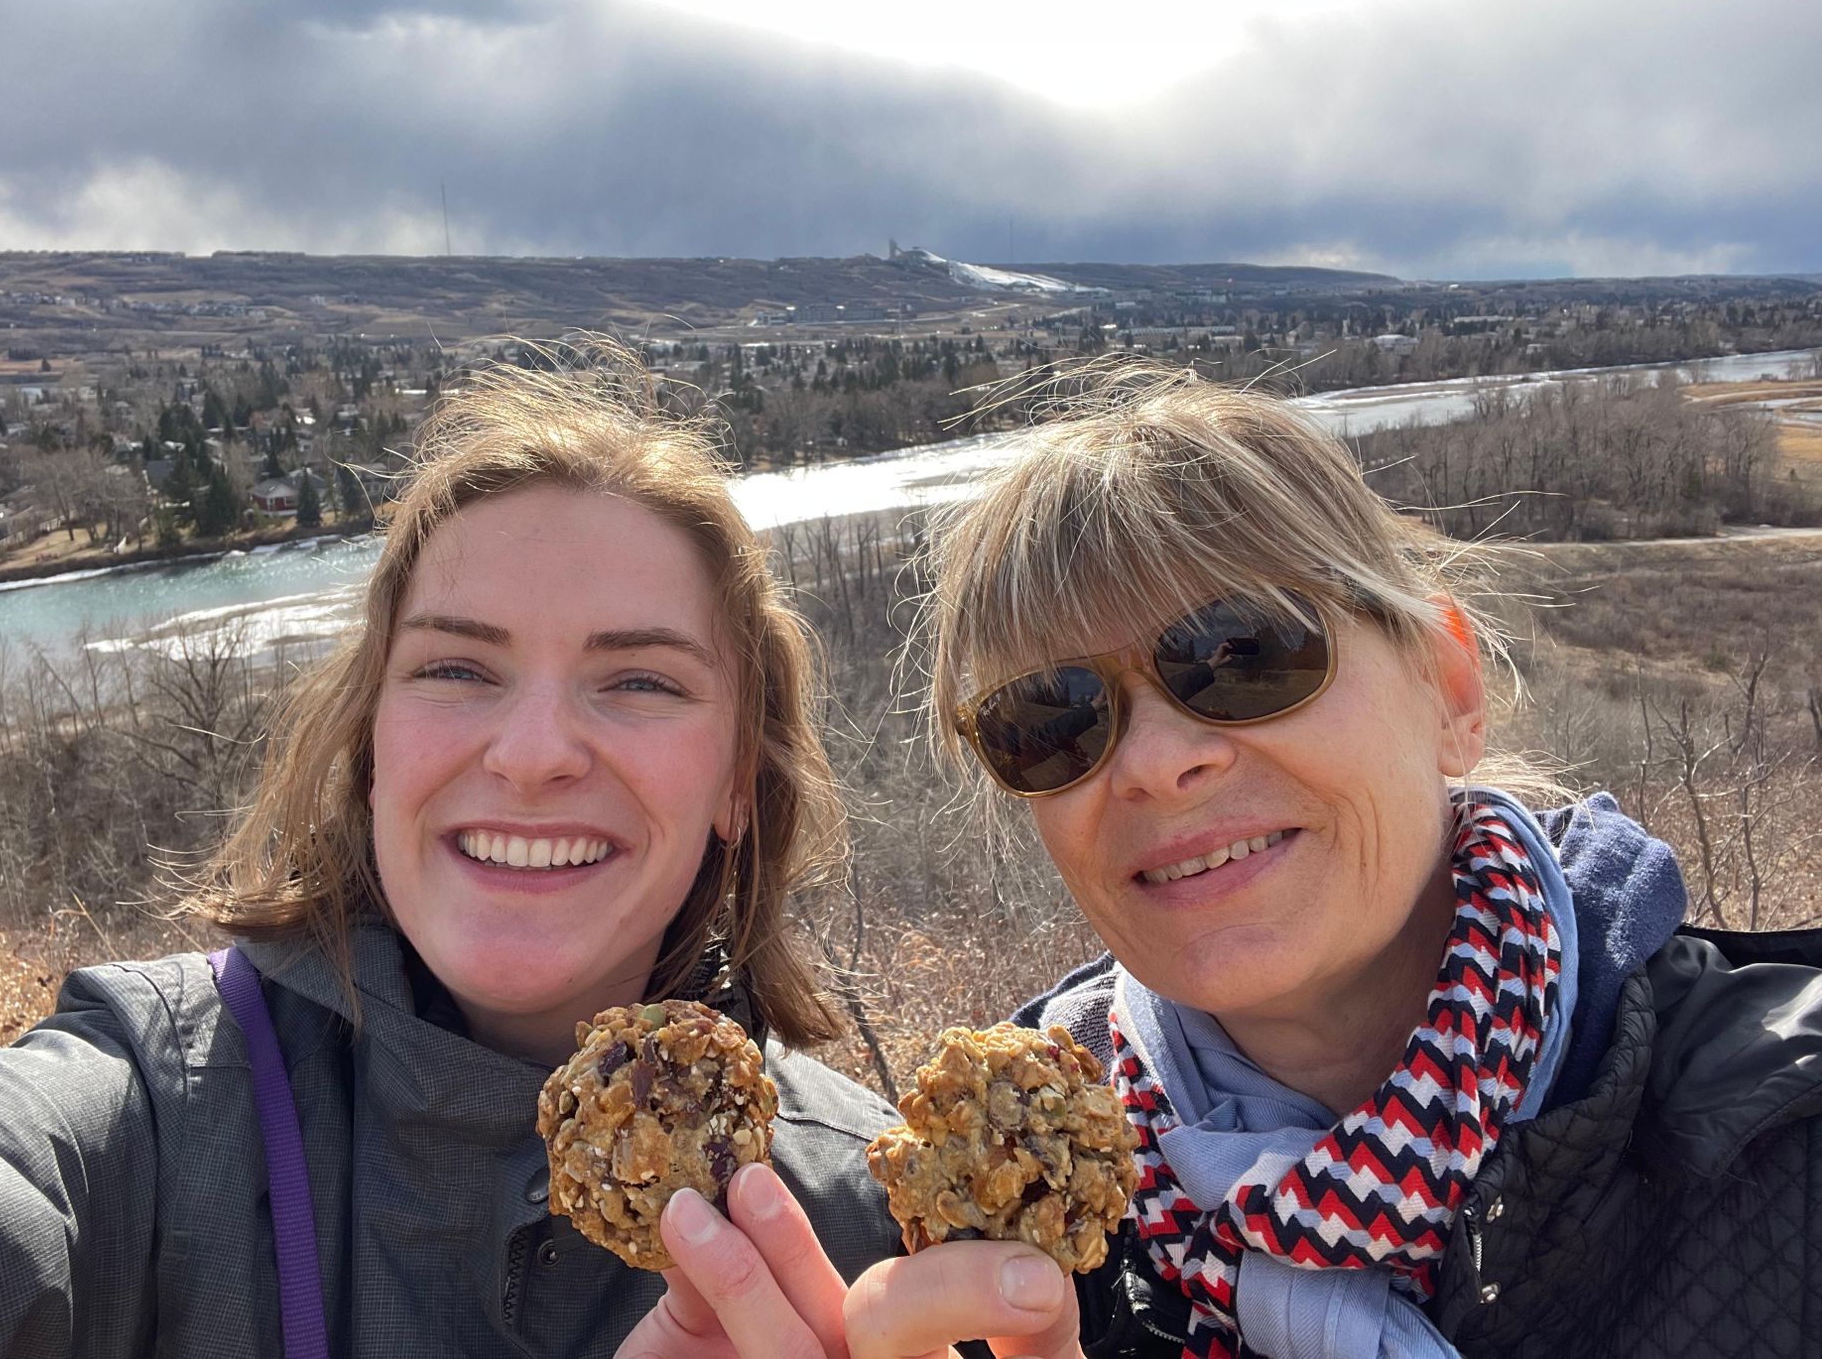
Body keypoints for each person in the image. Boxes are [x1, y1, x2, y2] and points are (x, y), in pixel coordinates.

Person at [641, 362, 1822, 1359]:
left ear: (1447, 688)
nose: (1155, 763)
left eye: (1241, 652)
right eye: (1050, 720)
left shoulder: (1775, 1137)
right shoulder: (1013, 1233)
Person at [0, 355, 902, 1357]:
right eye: (456, 670)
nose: (529, 757)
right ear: (370, 747)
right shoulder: (148, 1115)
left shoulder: (872, 1224)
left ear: (735, 785)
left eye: (641, 681)